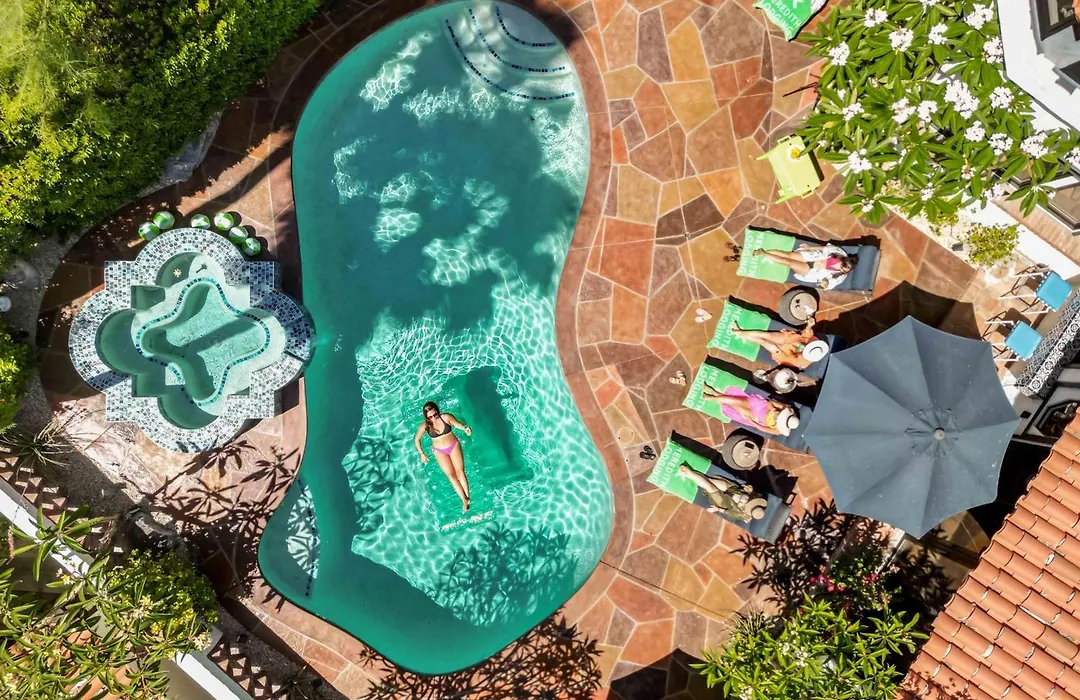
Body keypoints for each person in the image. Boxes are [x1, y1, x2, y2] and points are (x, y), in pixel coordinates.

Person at [414, 401, 473, 513]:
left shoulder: (446, 417)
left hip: (453, 446)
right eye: (430, 417)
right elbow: (417, 439)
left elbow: (457, 424)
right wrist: (422, 453)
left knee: (460, 472)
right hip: (439, 451)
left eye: (435, 414)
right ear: (426, 417)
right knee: (451, 476)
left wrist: (465, 428)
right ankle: (464, 500)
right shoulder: (425, 426)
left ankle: (467, 498)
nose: (433, 418)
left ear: (437, 411)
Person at [730, 316, 830, 370]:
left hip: (783, 354)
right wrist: (809, 326)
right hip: (791, 339)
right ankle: (739, 332)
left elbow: (785, 359)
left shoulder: (801, 362)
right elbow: (806, 335)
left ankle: (739, 333)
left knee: (765, 343)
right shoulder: (815, 342)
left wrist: (776, 349)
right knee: (766, 335)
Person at [701, 383, 800, 437]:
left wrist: (752, 421)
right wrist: (773, 409)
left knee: (737, 407)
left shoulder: (778, 430)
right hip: (760, 405)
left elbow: (762, 428)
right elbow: (769, 403)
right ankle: (711, 397)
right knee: (735, 401)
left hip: (756, 417)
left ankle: (714, 394)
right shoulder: (783, 408)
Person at [676, 464, 767, 521]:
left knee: (710, 488)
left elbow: (728, 512)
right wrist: (748, 488)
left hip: (724, 502)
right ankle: (693, 474)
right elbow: (750, 490)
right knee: (711, 481)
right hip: (732, 489)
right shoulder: (756, 497)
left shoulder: (743, 515)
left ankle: (689, 473)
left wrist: (717, 509)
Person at [753, 244, 857, 290]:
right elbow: (825, 248)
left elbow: (828, 285)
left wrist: (825, 284)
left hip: (811, 271)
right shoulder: (839, 253)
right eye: (842, 266)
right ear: (844, 260)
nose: (841, 270)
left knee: (787, 262)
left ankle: (763, 253)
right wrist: (810, 247)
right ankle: (763, 251)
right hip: (812, 257)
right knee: (788, 255)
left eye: (844, 271)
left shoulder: (840, 276)